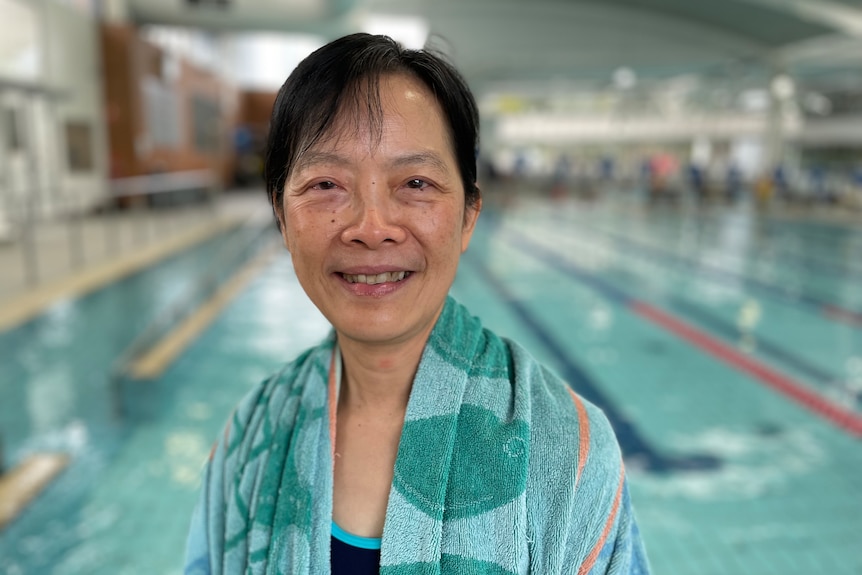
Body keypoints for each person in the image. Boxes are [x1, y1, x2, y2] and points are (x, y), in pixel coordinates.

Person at [184, 33, 650, 575]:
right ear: (282, 218)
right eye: (327, 183)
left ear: (468, 216)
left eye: (415, 182)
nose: (370, 228)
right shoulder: (252, 438)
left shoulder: (566, 447)